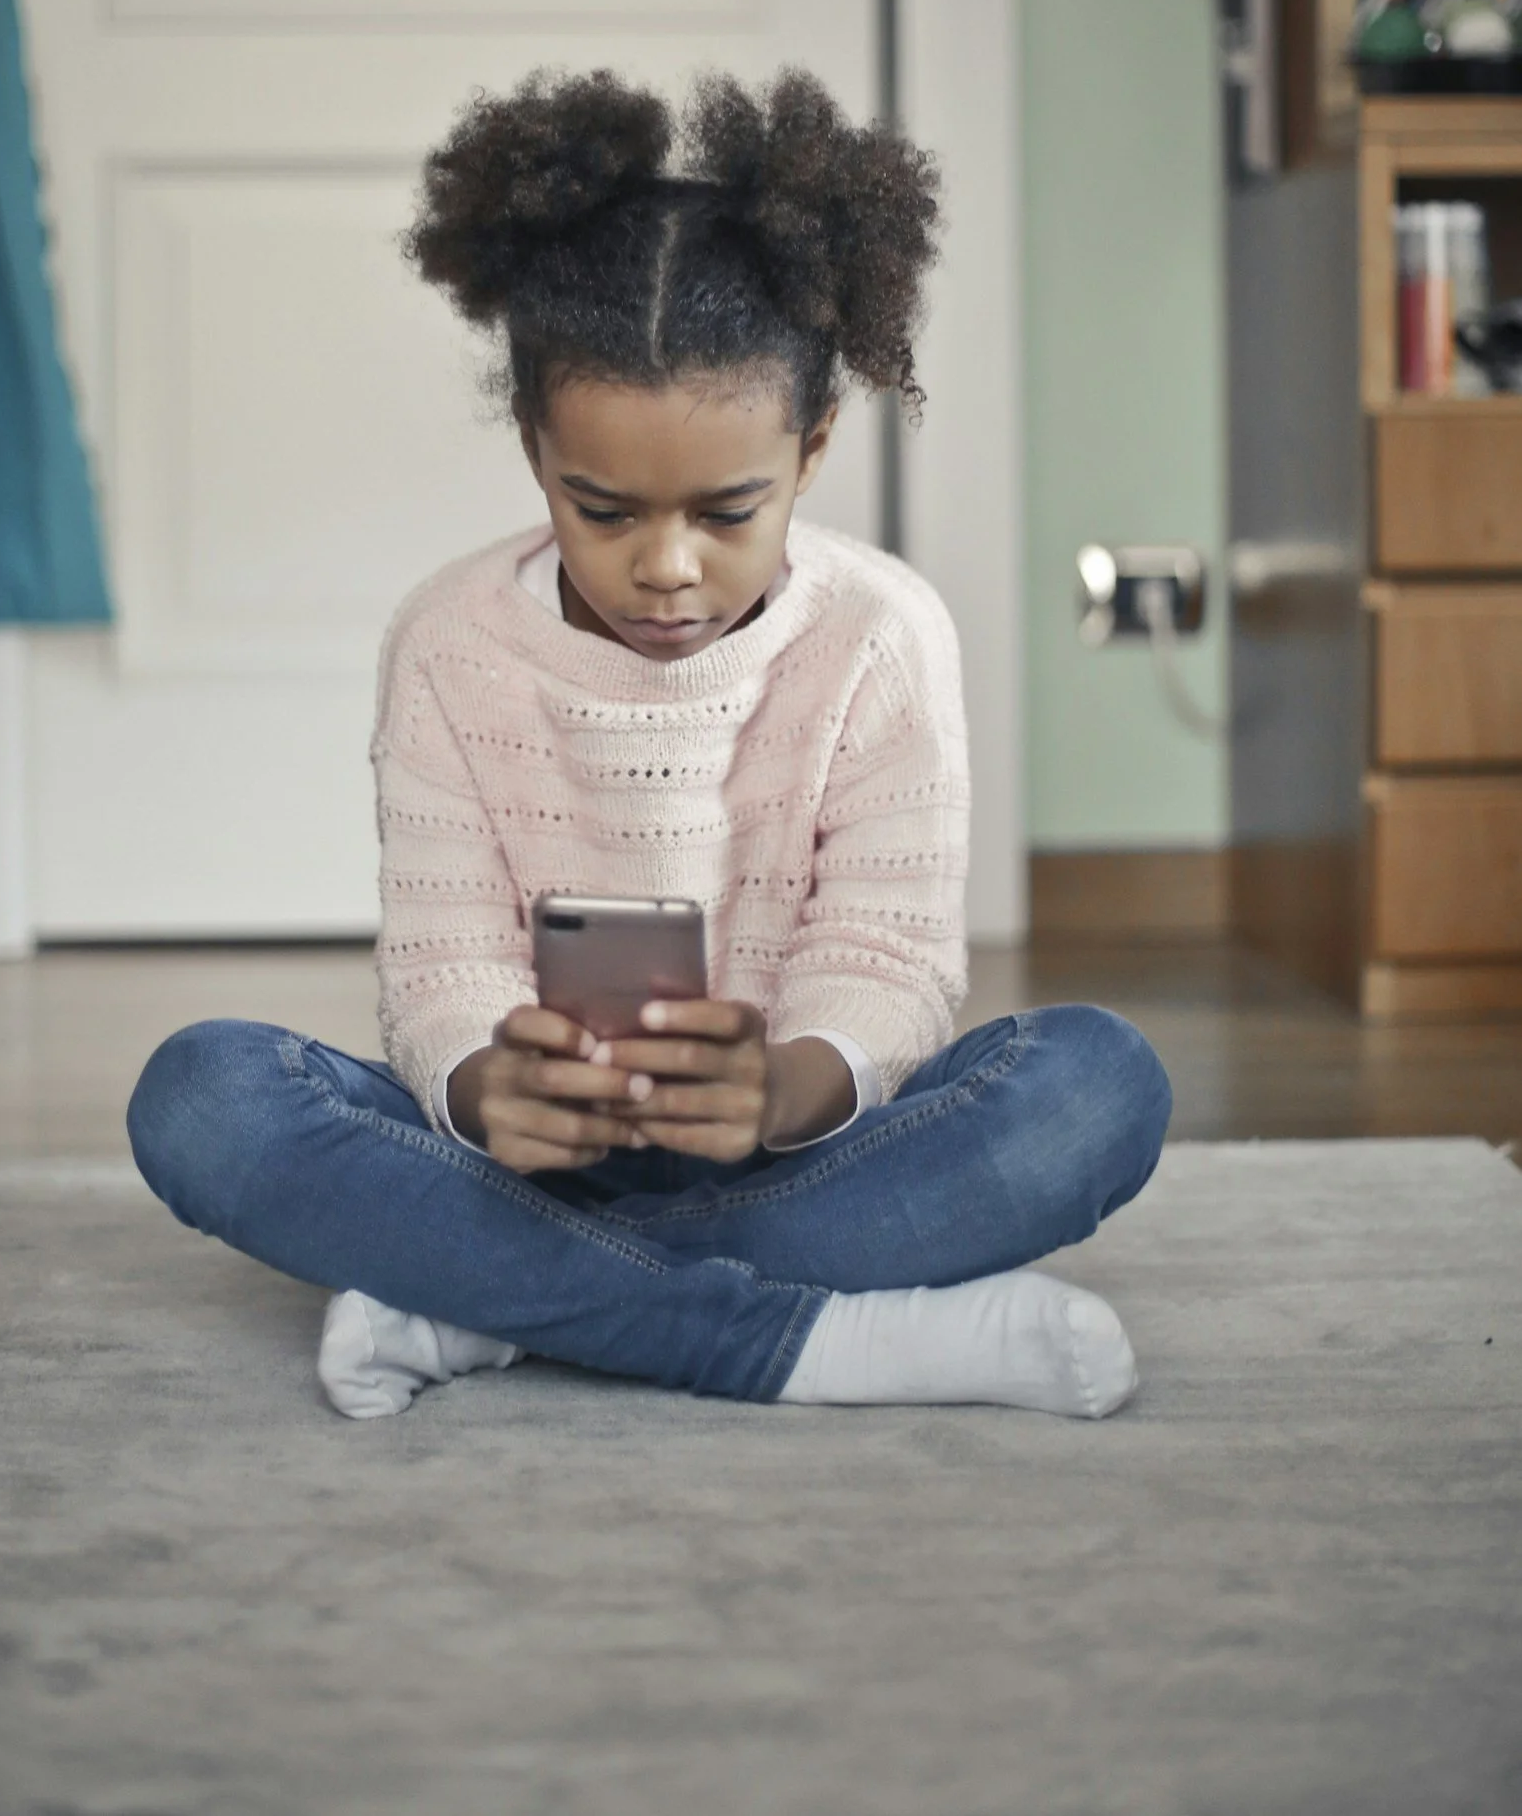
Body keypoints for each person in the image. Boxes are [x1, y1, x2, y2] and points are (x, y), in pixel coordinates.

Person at [127, 69, 1171, 1419]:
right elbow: (441, 963)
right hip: (522, 1162)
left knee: (1097, 1090)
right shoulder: (449, 643)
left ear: (812, 446)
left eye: (728, 510)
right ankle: (806, 1340)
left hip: (800, 1153)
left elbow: (891, 964)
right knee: (203, 1098)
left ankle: (489, 1307)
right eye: (601, 509)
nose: (665, 568)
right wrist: (484, 1081)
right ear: (532, 451)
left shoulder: (882, 636)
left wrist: (782, 1093)